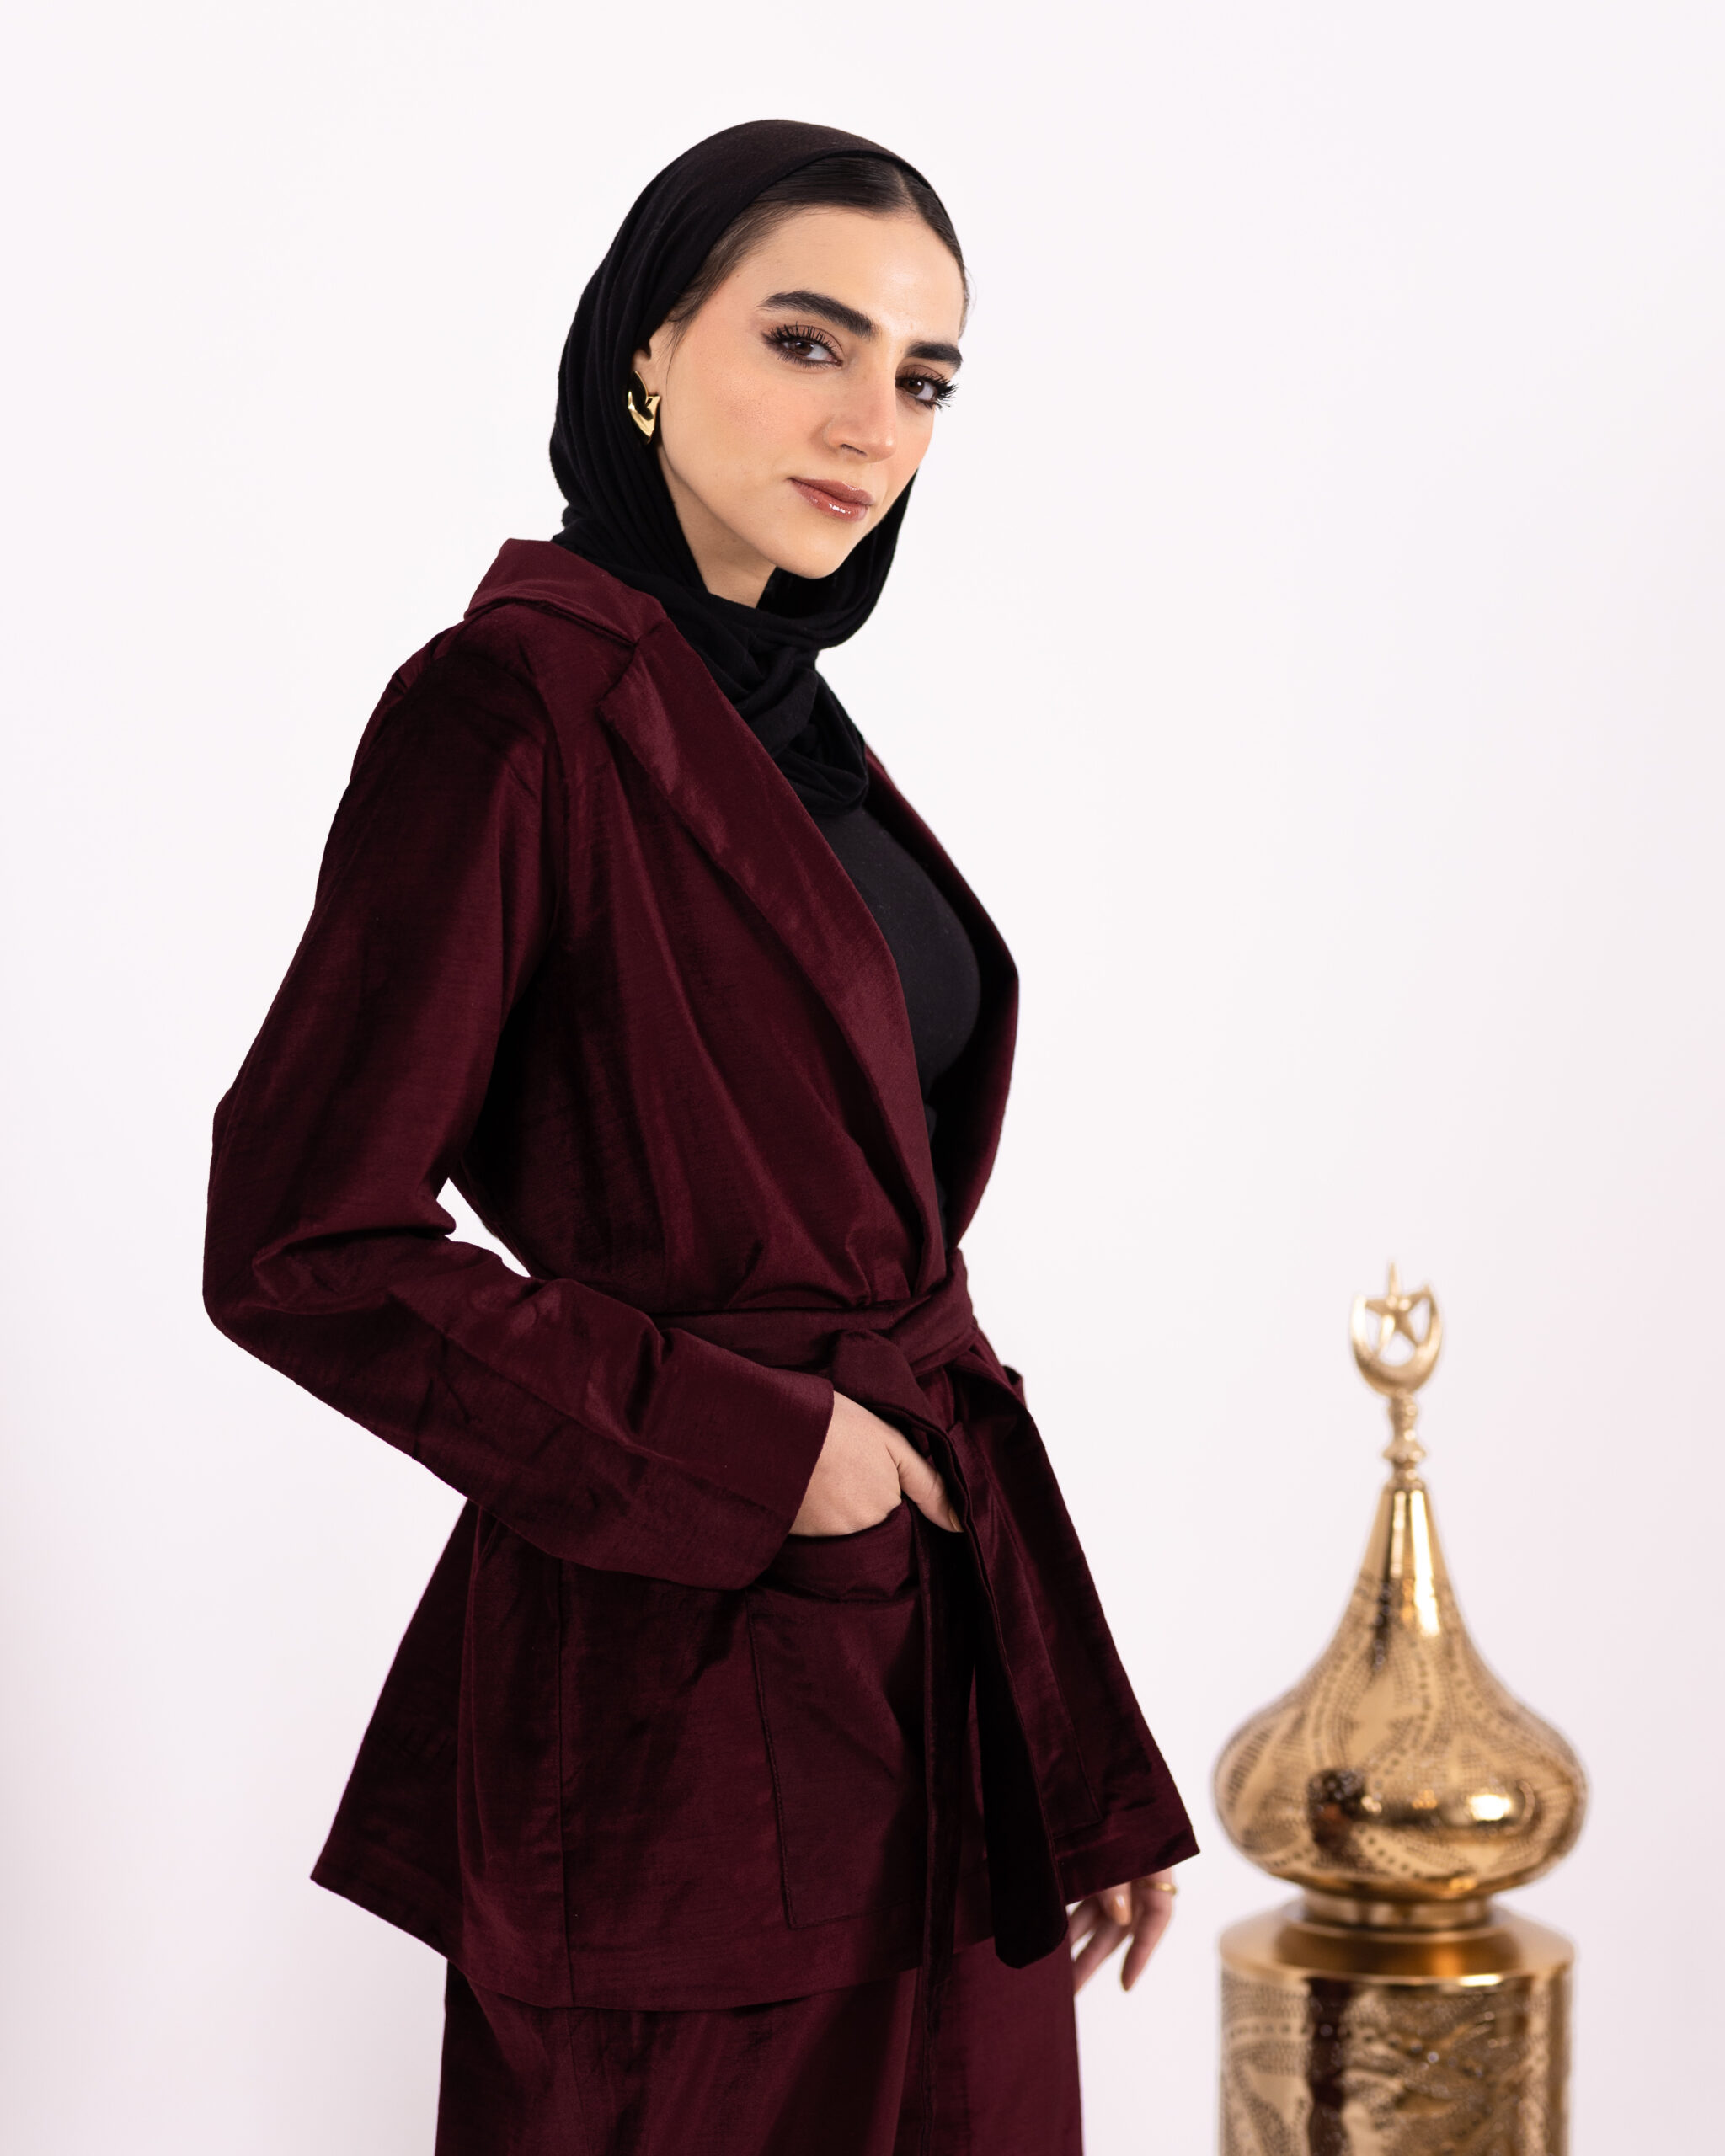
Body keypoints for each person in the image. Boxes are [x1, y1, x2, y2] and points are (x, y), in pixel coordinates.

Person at [204, 118, 1197, 2156]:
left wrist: (1077, 1753)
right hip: (677, 1733)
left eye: (922, 378)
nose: (871, 422)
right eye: (807, 342)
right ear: (646, 351)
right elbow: (301, 1241)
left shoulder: (795, 730)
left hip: (941, 1728)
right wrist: (766, 1451)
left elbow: (909, 1292)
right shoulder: (506, 711)